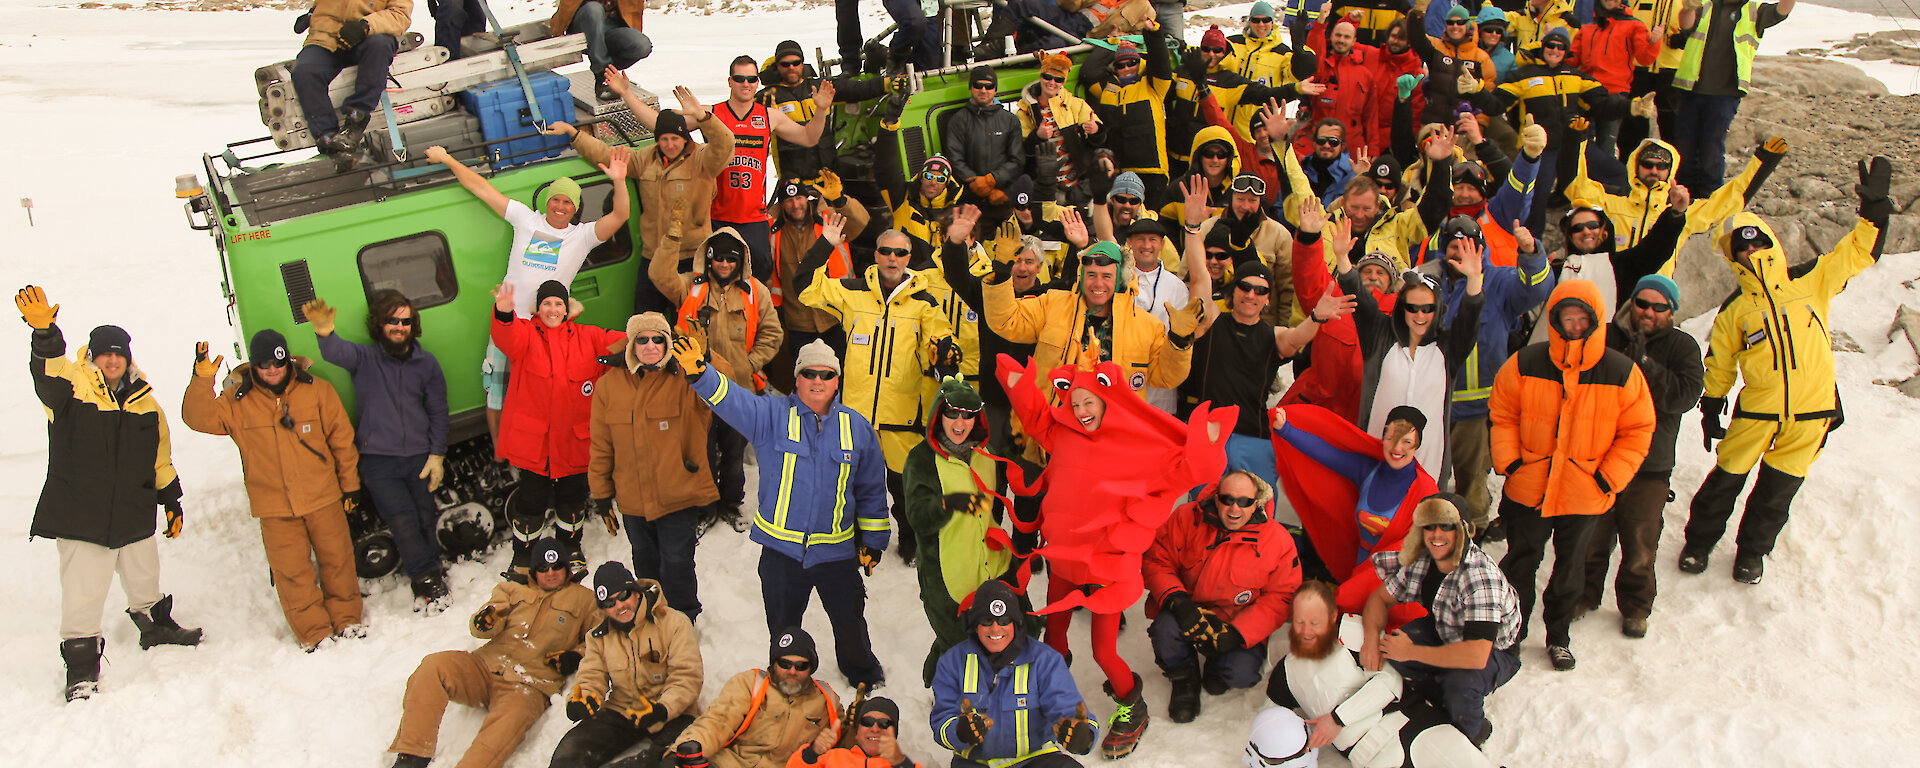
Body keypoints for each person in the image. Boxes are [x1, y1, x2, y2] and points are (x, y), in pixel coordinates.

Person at [995, 350, 1235, 758]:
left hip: (1108, 565)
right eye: (1075, 404)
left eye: (1089, 402)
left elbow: (1181, 470)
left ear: (1107, 401)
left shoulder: (1135, 446)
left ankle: (1131, 706)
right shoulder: (1064, 433)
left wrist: (1206, 447)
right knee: (1053, 639)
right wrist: (1018, 384)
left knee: (1104, 651)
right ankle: (1053, 696)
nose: (1082, 411)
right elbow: (1037, 419)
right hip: (1065, 560)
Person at [1681, 159, 1890, 584]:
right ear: (1732, 256)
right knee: (1725, 481)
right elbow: (1720, 361)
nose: (1751, 252)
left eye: (1757, 244)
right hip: (1758, 411)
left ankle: (1751, 554)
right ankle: (1699, 543)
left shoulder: (1812, 280)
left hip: (1811, 413)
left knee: (1777, 491)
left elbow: (1857, 253)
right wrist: (1712, 404)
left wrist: (1875, 215)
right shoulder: (1736, 308)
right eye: (1742, 248)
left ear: (1771, 243)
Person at [19, 287, 201, 702]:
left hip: (133, 511)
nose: (113, 359)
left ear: (128, 357)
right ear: (93, 356)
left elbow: (159, 456)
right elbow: (47, 372)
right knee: (83, 594)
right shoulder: (73, 390)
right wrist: (45, 333)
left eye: (119, 352)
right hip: (82, 513)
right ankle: (82, 669)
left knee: (144, 576)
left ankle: (156, 627)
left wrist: (170, 497)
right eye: (104, 352)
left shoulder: (146, 403)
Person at [685, 337, 891, 688]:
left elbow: (871, 490)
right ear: (796, 379)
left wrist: (873, 541)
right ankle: (784, 677)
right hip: (781, 553)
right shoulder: (770, 416)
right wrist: (701, 375)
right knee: (782, 626)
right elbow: (731, 400)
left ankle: (862, 674)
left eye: (826, 374)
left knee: (850, 621)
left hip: (836, 552)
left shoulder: (857, 428)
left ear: (837, 381)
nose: (817, 381)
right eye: (808, 373)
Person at [1490, 278, 1656, 671]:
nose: (1576, 325)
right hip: (1529, 484)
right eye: (1568, 317)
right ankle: (1511, 632)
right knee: (1520, 561)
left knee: (1571, 565)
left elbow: (1638, 430)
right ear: (1555, 319)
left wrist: (1607, 479)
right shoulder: (1526, 362)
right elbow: (1503, 413)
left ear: (1597, 321)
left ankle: (1558, 634)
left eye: (1584, 319)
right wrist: (1511, 463)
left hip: (1584, 490)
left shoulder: (1621, 372)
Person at [424, 142, 628, 459]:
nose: (560, 206)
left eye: (568, 202)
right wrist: (448, 158)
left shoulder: (583, 236)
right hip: (509, 323)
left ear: (576, 208)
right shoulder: (525, 219)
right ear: (547, 202)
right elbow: (481, 188)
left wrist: (619, 179)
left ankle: (548, 455)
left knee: (546, 398)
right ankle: (502, 453)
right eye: (556, 200)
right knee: (497, 397)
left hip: (547, 331)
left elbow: (621, 214)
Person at [181, 329, 363, 652]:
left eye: (278, 362)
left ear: (287, 359)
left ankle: (347, 620)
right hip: (275, 507)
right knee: (292, 574)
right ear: (254, 366)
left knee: (338, 560)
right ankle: (315, 633)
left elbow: (341, 440)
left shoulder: (317, 390)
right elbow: (197, 418)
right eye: (264, 365)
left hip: (322, 497)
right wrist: (201, 381)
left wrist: (350, 486)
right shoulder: (236, 402)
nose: (272, 370)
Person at [793, 218, 960, 564]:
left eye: (901, 252)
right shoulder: (852, 292)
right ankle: (854, 540)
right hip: (856, 415)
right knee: (852, 485)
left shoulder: (924, 302)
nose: (893, 258)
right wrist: (826, 243)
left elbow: (940, 336)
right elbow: (805, 287)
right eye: (886, 250)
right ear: (876, 255)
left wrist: (944, 351)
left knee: (904, 488)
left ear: (909, 257)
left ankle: (910, 541)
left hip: (902, 418)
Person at [387, 538, 598, 768]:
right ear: (534, 571)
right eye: (543, 568)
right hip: (484, 668)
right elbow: (484, 623)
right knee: (433, 665)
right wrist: (486, 621)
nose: (551, 573)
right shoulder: (511, 589)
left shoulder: (585, 600)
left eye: (557, 567)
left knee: (506, 726)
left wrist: (576, 655)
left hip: (529, 684)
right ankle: (412, 755)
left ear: (567, 569)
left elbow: (600, 638)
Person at [303, 292, 452, 611]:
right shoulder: (365, 358)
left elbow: (438, 410)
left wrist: (437, 454)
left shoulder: (426, 364)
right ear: (379, 324)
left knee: (425, 516)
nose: (399, 326)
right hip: (378, 461)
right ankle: (425, 579)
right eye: (392, 320)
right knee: (403, 520)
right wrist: (325, 332)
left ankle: (433, 568)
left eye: (405, 321)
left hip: (418, 456)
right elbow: (336, 353)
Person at [1574, 275, 1702, 638]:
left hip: (1650, 464)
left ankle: (1635, 606)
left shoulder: (1682, 347)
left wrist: (1644, 361)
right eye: (1642, 304)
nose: (1648, 312)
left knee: (1641, 541)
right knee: (1593, 536)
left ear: (1671, 311)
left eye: (1658, 307)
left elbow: (1683, 396)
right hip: (1600, 456)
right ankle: (1584, 595)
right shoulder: (1607, 337)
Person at [1263, 582, 1494, 767]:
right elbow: (1272, 725)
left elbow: (1390, 684)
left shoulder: (1353, 632)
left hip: (1413, 729)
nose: (1307, 631)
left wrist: (1337, 719)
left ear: (1332, 615)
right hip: (1369, 759)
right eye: (1301, 622)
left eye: (1315, 621)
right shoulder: (1284, 676)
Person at [553, 85, 736, 315]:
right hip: (654, 257)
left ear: (685, 137)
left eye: (675, 139)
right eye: (664, 139)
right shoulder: (645, 158)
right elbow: (606, 156)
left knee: (691, 321)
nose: (670, 145)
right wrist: (575, 135)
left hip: (691, 259)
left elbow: (726, 143)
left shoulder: (703, 159)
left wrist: (702, 116)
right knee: (646, 319)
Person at [1359, 495, 1521, 747]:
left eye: (1447, 526)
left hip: (1492, 651)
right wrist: (1371, 639)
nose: (1437, 534)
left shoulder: (1481, 578)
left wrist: (1412, 651)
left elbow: (1476, 655)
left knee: (1461, 681)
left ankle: (1473, 731)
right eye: (1430, 525)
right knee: (1392, 645)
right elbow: (1379, 599)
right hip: (1446, 629)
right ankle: (1439, 702)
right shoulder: (1426, 559)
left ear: (1468, 530)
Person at [589, 313, 721, 620]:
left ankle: (684, 617)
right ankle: (651, 616)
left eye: (658, 339)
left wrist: (705, 364)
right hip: (633, 499)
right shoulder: (609, 387)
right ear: (631, 345)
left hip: (678, 493)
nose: (651, 346)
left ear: (668, 344)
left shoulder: (686, 381)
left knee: (676, 562)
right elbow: (601, 446)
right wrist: (600, 494)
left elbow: (721, 396)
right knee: (645, 563)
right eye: (643, 339)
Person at [1144, 470, 1304, 723]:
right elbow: (1156, 560)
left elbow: (1282, 595)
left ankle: (1219, 666)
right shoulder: (1185, 519)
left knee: (1242, 674)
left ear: (1256, 503)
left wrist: (1238, 633)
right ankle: (1184, 677)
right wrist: (1178, 601)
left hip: (1236, 618)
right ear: (1217, 498)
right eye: (1228, 499)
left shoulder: (1277, 541)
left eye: (1244, 502)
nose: (1234, 508)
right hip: (1190, 608)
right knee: (1165, 630)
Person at [490, 280, 628, 573]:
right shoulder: (525, 335)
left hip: (575, 439)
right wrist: (503, 313)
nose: (553, 310)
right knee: (531, 500)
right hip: (535, 441)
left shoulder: (588, 336)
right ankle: (524, 556)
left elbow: (627, 341)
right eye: (546, 304)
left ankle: (570, 546)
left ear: (567, 309)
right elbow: (507, 337)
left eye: (558, 304)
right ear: (537, 309)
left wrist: (654, 334)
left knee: (573, 497)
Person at [653, 227, 783, 531]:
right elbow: (659, 276)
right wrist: (672, 236)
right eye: (718, 258)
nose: (724, 264)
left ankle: (731, 503)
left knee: (733, 453)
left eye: (730, 259)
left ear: (741, 262)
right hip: (696, 387)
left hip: (738, 390)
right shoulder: (690, 287)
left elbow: (773, 334)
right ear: (708, 259)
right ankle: (705, 507)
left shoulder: (756, 293)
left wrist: (749, 364)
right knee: (702, 451)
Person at [902, 377, 1026, 685]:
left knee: (1017, 631)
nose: (960, 422)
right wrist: (949, 504)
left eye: (968, 414)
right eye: (952, 413)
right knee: (958, 644)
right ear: (937, 415)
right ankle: (941, 686)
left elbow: (993, 508)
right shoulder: (921, 460)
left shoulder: (987, 454)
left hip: (992, 568)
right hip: (947, 576)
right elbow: (917, 518)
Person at [1346, 223, 1484, 482]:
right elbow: (1361, 300)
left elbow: (1469, 319)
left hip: (1427, 469)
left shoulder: (1447, 349)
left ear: (1437, 310)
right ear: (1401, 307)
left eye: (1427, 309)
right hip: (1376, 460)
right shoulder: (1381, 336)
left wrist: (1474, 279)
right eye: (1412, 307)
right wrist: (1343, 260)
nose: (1419, 315)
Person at [1269, 404, 1437, 605]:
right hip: (1360, 567)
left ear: (1417, 446)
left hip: (1396, 582)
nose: (1397, 448)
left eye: (1407, 442)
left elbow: (1429, 545)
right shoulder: (1368, 470)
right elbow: (1326, 452)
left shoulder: (1425, 489)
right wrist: (1285, 429)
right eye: (1391, 438)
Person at [930, 580, 1097, 768]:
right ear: (974, 625)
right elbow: (941, 723)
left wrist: (1083, 734)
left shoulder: (1045, 660)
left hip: (1037, 760)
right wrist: (959, 732)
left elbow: (1071, 709)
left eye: (1003, 621)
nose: (995, 629)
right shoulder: (953, 663)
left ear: (1015, 624)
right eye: (986, 621)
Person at [550, 562, 702, 768]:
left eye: (623, 596)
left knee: (669, 761)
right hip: (624, 710)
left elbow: (687, 677)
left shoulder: (673, 623)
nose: (619, 606)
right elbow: (591, 675)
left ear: (636, 592)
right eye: (610, 603)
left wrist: (662, 709)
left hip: (672, 713)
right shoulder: (598, 636)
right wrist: (583, 699)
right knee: (568, 755)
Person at [703, 56, 834, 281]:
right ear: (730, 81)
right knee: (718, 278)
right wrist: (627, 94)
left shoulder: (767, 116)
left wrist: (820, 110)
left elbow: (809, 137)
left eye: (751, 79)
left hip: (753, 217)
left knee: (759, 274)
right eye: (740, 78)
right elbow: (662, 127)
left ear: (757, 82)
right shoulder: (712, 113)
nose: (746, 83)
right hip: (717, 215)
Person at [1670, 0, 1795, 195]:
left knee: (1711, 148)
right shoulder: (1705, 4)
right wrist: (1687, 8)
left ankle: (1709, 196)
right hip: (1691, 88)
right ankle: (1682, 194)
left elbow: (1782, 10)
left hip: (1725, 94)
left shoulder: (1755, 10)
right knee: (1684, 146)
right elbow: (1686, 25)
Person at [671, 628, 843, 768]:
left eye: (801, 666)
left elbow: (849, 746)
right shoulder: (749, 684)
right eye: (785, 664)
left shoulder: (826, 700)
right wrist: (686, 748)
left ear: (811, 668)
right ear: (774, 664)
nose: (792, 671)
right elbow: (716, 722)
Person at [769, 174, 868, 390]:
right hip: (798, 323)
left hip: (835, 317)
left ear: (808, 198)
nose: (795, 205)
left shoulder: (828, 218)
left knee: (842, 377)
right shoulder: (773, 231)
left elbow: (861, 222)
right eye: (787, 200)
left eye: (799, 198)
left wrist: (840, 200)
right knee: (805, 382)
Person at [289, 0, 410, 165]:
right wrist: (313, 15)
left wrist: (365, 26)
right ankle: (327, 137)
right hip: (325, 39)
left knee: (380, 46)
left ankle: (356, 120)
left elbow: (400, 16)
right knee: (305, 72)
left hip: (369, 37)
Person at [756, 39, 894, 181]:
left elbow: (853, 89)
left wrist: (886, 84)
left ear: (802, 64)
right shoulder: (766, 98)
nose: (791, 67)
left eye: (796, 63)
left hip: (828, 178)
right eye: (785, 64)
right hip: (795, 185)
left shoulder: (820, 87)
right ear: (777, 66)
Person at [1085, 28, 1175, 207]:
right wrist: (1111, 43)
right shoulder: (1107, 88)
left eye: (1132, 63)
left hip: (1152, 170)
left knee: (1152, 221)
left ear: (1139, 62)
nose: (1126, 68)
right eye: (1120, 65)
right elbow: (1089, 71)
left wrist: (1154, 33)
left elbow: (1161, 62)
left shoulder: (1153, 85)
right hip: (1119, 171)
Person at [1569, 0, 1657, 157]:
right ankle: (1579, 178)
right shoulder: (1589, 27)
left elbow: (1645, 59)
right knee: (1578, 142)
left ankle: (1603, 180)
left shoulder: (1635, 25)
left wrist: (1654, 42)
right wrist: (1554, 43)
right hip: (1587, 91)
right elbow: (1572, 60)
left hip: (1615, 92)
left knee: (1606, 144)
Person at [1019, 52, 1103, 206]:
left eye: (1058, 79)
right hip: (1048, 188)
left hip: (1079, 185)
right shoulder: (1025, 110)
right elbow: (1023, 153)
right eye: (1047, 77)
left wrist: (1095, 130)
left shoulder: (1075, 104)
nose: (1052, 82)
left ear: (1063, 82)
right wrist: (1036, 136)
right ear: (1040, 76)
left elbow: (1099, 141)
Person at [947, 66, 1026, 208]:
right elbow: (955, 159)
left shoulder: (1010, 120)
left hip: (1003, 196)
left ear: (995, 90)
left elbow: (1017, 160)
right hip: (969, 201)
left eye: (989, 86)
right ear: (970, 88)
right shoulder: (958, 120)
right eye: (978, 85)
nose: (983, 90)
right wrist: (977, 184)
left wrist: (993, 180)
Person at [551, 0, 652, 100]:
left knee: (642, 45)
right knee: (594, 9)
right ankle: (601, 75)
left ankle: (607, 70)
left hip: (613, 26)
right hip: (584, 23)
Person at [790, 696, 925, 768]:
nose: (875, 729)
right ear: (858, 729)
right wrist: (812, 753)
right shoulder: (833, 758)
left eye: (884, 724)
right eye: (868, 722)